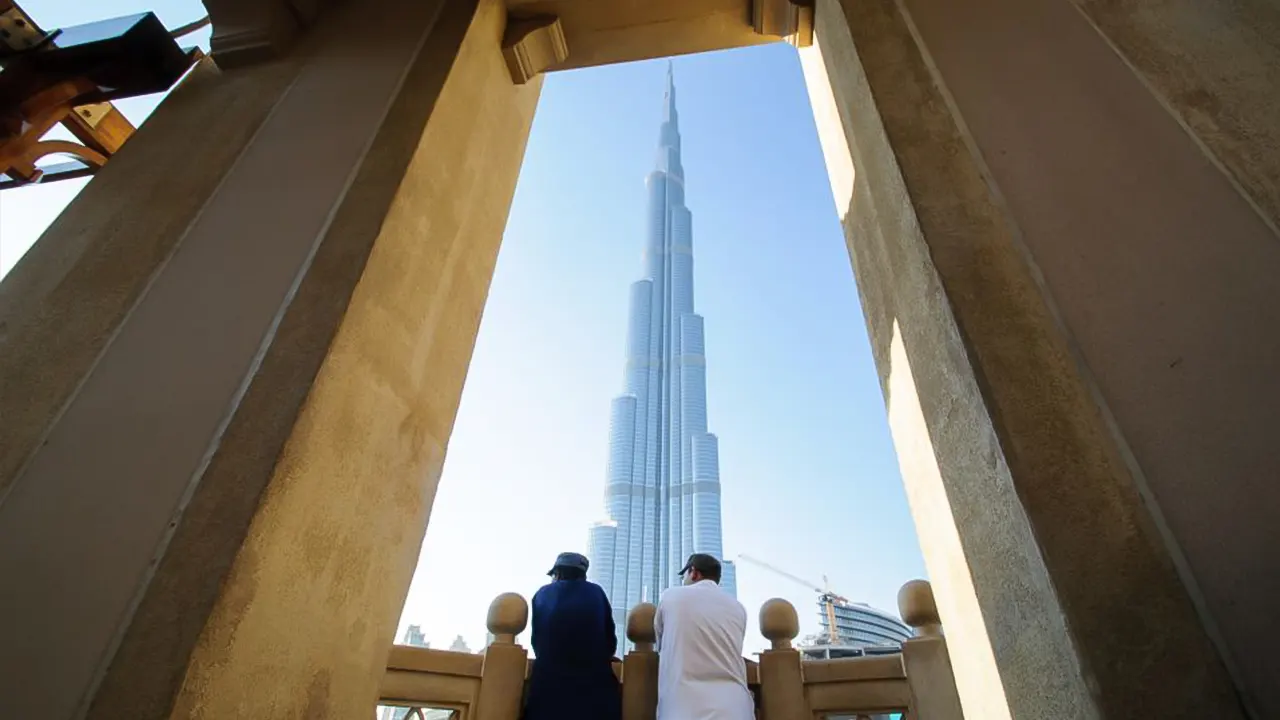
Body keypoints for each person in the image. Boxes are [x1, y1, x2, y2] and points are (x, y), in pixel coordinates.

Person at [522, 552, 621, 720]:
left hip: (548, 688)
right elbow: (610, 639)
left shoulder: (542, 594)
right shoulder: (596, 593)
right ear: (583, 575)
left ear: (557, 573)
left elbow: (537, 640)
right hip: (594, 690)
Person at [655, 553, 755, 720]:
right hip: (736, 710)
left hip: (683, 710)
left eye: (684, 576)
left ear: (693, 572)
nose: (683, 581)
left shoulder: (670, 597)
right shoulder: (738, 608)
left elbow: (660, 643)